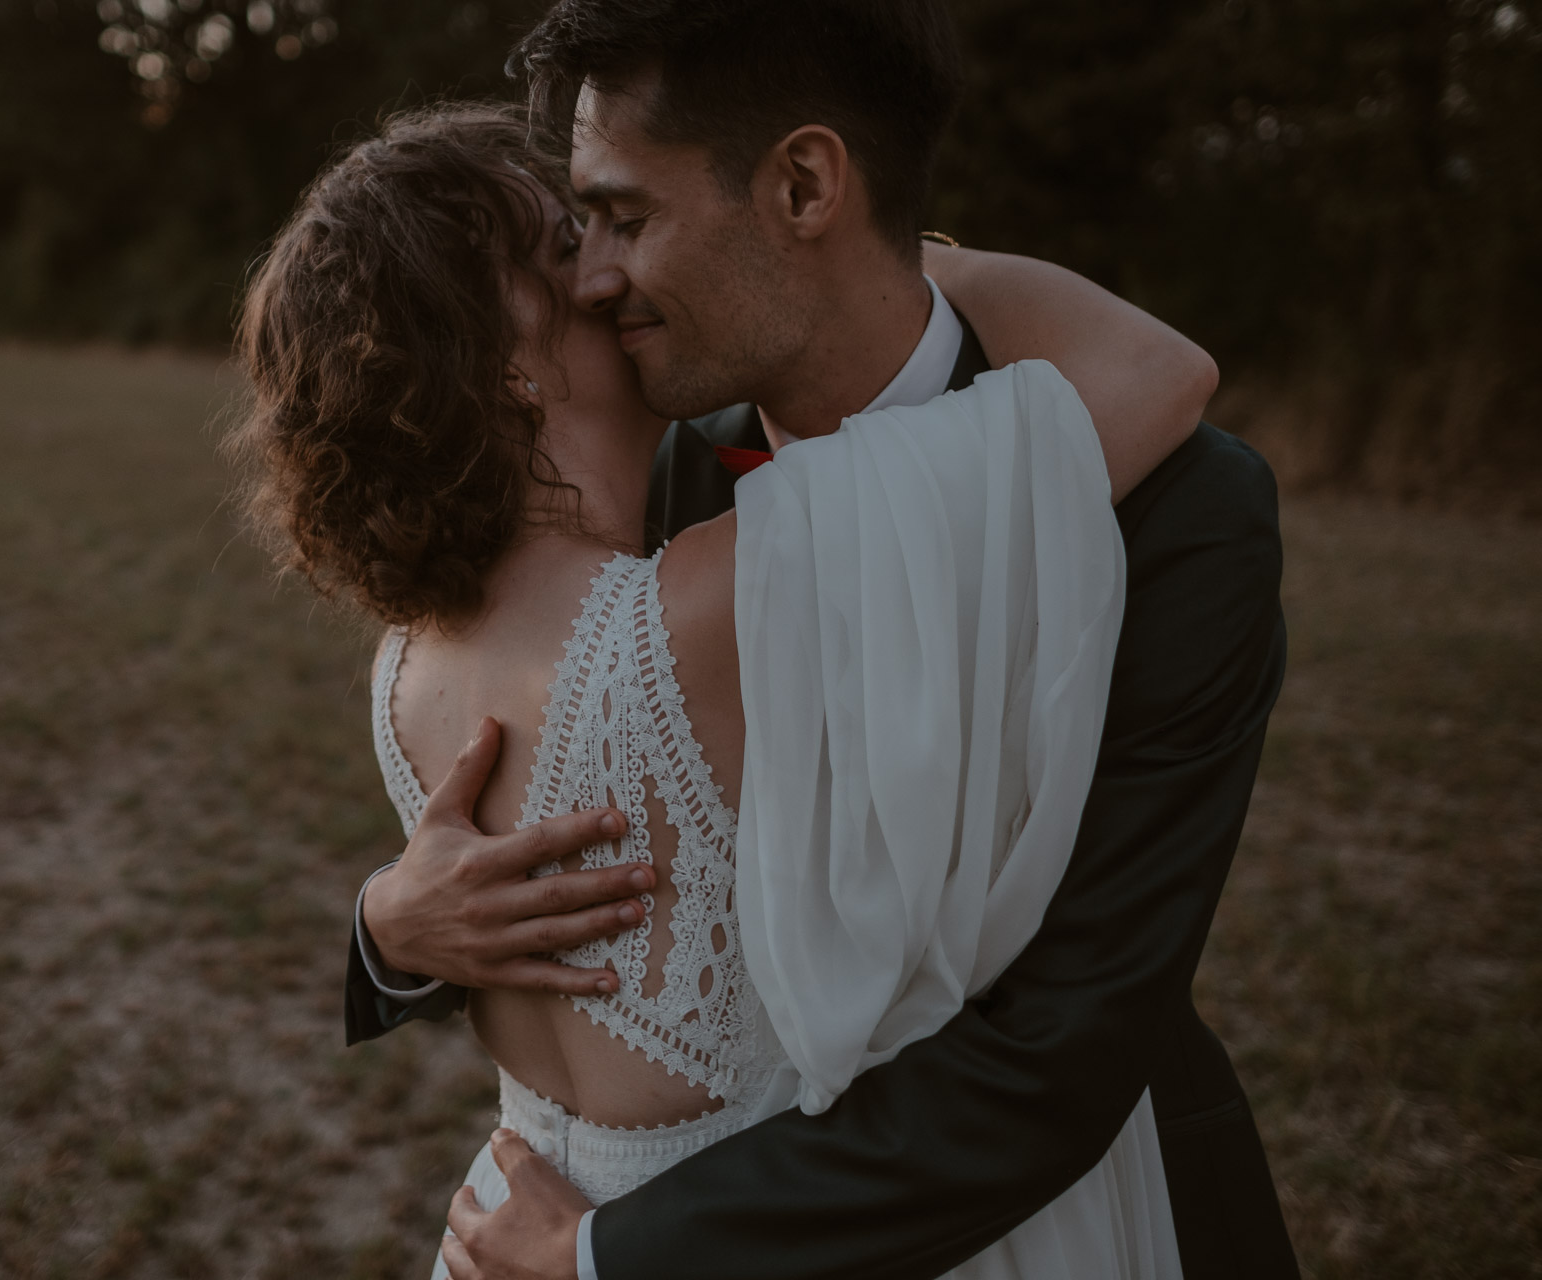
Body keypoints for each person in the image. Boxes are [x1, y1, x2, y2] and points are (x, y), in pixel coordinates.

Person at [232, 82, 1269, 1280]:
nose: (604, 274)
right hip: (716, 1243)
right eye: (569, 242)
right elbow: (1150, 369)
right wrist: (898, 258)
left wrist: (384, 922)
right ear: (501, 357)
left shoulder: (406, 662)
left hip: (529, 1220)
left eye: (615, 223)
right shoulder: (725, 589)